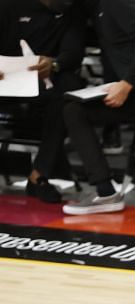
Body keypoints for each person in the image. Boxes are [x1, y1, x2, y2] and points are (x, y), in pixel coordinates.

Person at [61, 0, 135, 215]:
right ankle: (105, 191)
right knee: (74, 110)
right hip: (129, 87)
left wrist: (127, 84)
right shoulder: (88, 9)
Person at [0, 0, 85, 203]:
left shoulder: (72, 10)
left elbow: (73, 52)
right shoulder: (8, 6)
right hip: (4, 77)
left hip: (43, 82)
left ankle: (39, 175)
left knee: (70, 90)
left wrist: (55, 64)